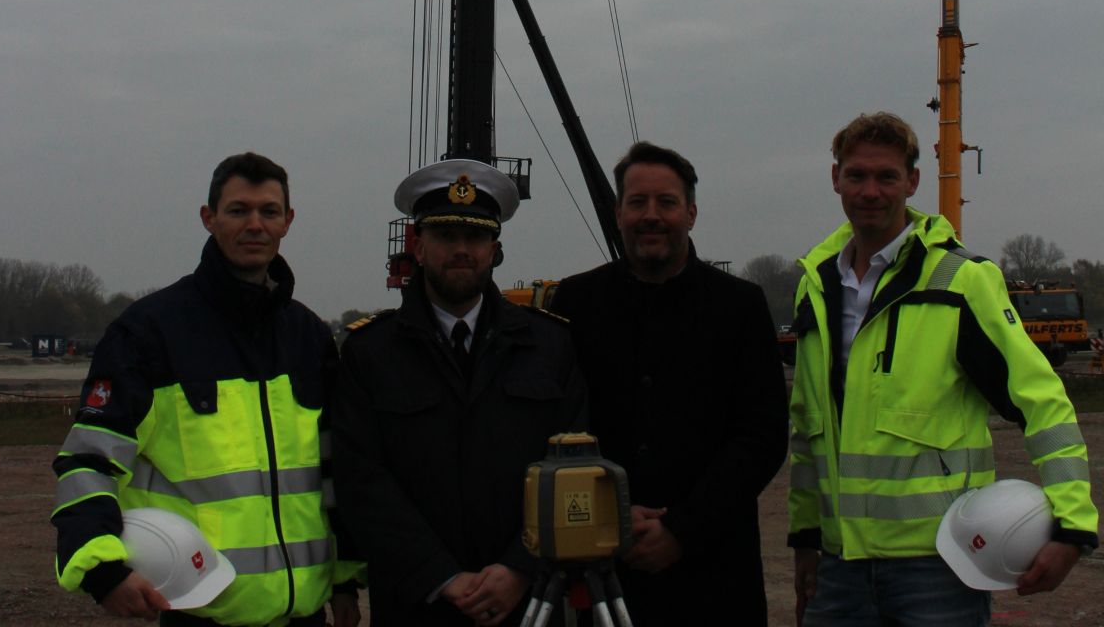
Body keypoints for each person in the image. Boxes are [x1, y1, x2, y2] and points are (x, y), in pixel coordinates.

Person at [789, 112, 1098, 625]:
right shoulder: (815, 287)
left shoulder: (961, 282)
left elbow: (1042, 402)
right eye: (857, 175)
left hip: (936, 570)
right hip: (837, 569)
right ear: (835, 178)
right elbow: (808, 429)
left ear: (912, 181)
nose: (871, 190)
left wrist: (1072, 525)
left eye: (887, 177)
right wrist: (804, 538)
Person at [51, 152, 364, 627]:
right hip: (200, 611)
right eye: (238, 211)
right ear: (209, 218)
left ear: (288, 222)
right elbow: (89, 460)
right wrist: (103, 572)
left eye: (269, 212)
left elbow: (332, 473)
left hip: (305, 614)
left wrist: (343, 580)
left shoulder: (309, 337)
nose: (254, 224)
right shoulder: (149, 333)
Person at [332, 159, 587, 626]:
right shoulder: (369, 353)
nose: (461, 250)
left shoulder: (551, 346)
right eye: (446, 236)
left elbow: (572, 469)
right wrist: (440, 576)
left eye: (474, 238)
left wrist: (518, 567)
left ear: (494, 248)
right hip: (417, 603)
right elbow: (360, 480)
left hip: (528, 602)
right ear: (419, 246)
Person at [549, 141, 789, 625]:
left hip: (714, 571)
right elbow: (557, 425)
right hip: (600, 571)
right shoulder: (574, 303)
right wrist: (614, 520)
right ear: (618, 213)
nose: (651, 216)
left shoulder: (739, 306)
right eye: (637, 203)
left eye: (667, 202)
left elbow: (761, 436)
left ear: (692, 213)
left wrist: (683, 528)